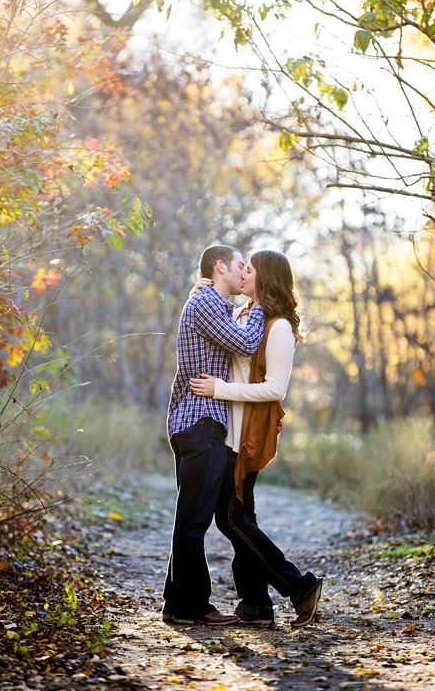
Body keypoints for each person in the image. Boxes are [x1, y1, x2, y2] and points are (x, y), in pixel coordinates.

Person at [188, 249, 323, 628]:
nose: (243, 273)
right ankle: (256, 604)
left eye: (250, 269)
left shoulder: (278, 326)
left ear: (265, 277)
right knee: (242, 515)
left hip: (247, 434)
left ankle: (300, 587)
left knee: (230, 518)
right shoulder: (244, 314)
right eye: (241, 267)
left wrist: (220, 390)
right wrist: (200, 294)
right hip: (229, 428)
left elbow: (275, 388)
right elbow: (215, 332)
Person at [163, 244, 265, 626]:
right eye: (241, 266)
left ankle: (176, 604)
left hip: (198, 423)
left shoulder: (209, 303)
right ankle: (195, 606)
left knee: (190, 517)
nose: (244, 273)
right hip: (201, 422)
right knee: (195, 521)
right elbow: (246, 343)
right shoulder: (206, 303)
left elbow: (229, 331)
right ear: (220, 266)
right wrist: (262, 306)